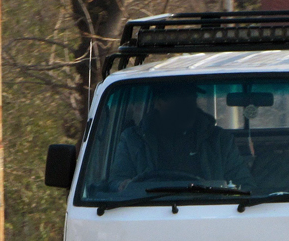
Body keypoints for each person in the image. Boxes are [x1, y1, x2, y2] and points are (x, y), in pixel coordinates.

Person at [109, 80, 254, 191]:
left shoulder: (219, 140)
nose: (186, 108)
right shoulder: (133, 140)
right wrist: (125, 185)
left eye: (191, 100)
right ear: (158, 103)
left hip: (211, 212)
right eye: (177, 100)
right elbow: (114, 185)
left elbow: (245, 186)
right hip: (148, 213)